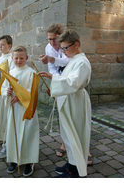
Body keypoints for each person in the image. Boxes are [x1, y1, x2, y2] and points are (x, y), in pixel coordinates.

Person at [38, 30, 92, 178]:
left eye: (66, 48)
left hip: (76, 103)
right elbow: (66, 78)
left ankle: (75, 171)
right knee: (68, 135)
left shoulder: (82, 62)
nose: (63, 52)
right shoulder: (73, 60)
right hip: (68, 101)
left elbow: (73, 83)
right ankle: (71, 163)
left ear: (77, 44)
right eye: (61, 49)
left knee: (75, 135)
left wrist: (54, 79)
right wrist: (53, 81)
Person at [2, 46, 39, 177]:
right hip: (13, 109)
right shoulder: (10, 72)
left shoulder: (31, 72)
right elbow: (4, 87)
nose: (19, 60)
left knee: (27, 134)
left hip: (26, 108)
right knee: (13, 133)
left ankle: (29, 161)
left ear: (26, 58)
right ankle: (13, 158)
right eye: (16, 58)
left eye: (21, 58)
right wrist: (6, 92)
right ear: (12, 58)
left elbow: (32, 91)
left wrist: (20, 97)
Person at [39, 24, 70, 158]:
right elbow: (52, 68)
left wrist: (51, 59)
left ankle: (85, 149)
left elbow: (67, 61)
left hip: (71, 82)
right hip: (59, 82)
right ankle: (64, 144)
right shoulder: (48, 48)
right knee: (62, 114)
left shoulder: (67, 46)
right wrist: (54, 85)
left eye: (54, 39)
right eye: (49, 39)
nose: (52, 42)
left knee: (74, 116)